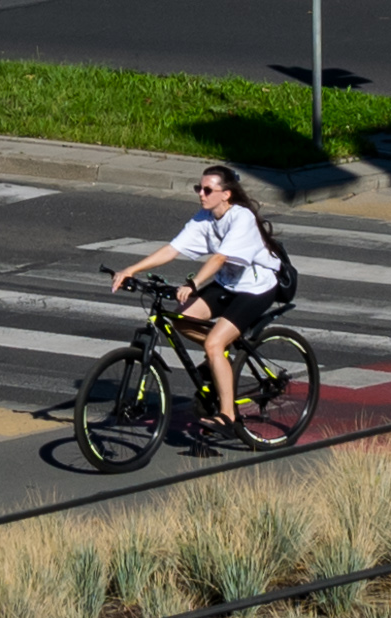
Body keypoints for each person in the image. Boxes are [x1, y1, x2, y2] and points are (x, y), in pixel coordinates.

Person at [112, 161, 293, 434]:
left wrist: (194, 283)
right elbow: (172, 249)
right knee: (183, 320)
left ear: (226, 194)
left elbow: (220, 257)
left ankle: (228, 416)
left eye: (208, 190)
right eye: (200, 188)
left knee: (212, 342)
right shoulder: (204, 218)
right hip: (227, 284)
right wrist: (131, 269)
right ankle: (221, 358)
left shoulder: (240, 217)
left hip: (256, 288)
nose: (201, 194)